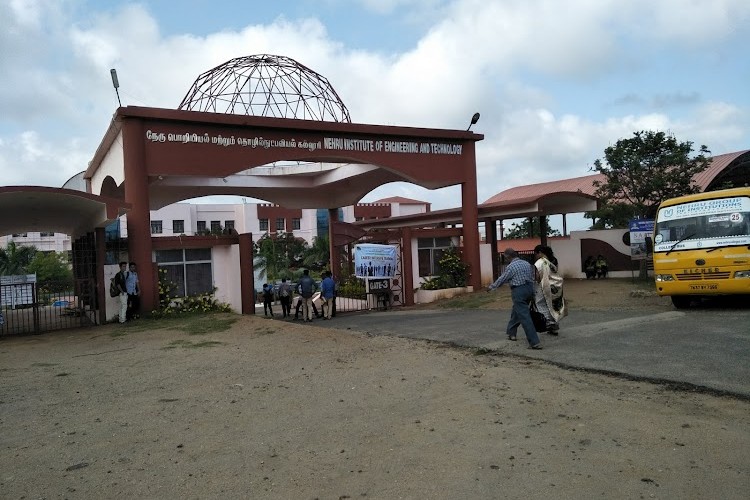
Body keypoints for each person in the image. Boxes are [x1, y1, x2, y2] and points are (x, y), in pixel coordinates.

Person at [487, 248, 542, 349]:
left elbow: (503, 278)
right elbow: (532, 276)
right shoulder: (526, 263)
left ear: (508, 256)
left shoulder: (511, 266)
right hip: (529, 289)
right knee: (517, 311)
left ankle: (534, 341)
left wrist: (492, 287)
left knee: (524, 316)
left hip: (519, 290)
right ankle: (511, 332)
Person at [533, 245, 566, 334]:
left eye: (536, 254)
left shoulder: (540, 262)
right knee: (553, 305)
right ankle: (554, 326)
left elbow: (538, 277)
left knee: (541, 304)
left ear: (540, 252)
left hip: (544, 286)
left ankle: (549, 324)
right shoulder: (554, 260)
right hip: (555, 286)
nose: (535, 256)